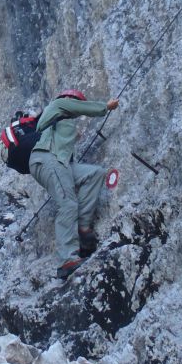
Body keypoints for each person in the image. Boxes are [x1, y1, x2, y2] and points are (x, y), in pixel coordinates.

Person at [30, 89, 119, 279]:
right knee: (67, 204)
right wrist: (106, 106)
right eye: (76, 101)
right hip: (48, 159)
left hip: (60, 163)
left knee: (95, 174)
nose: (75, 105)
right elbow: (79, 107)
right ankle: (66, 260)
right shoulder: (58, 104)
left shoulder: (61, 122)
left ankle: (83, 227)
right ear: (69, 99)